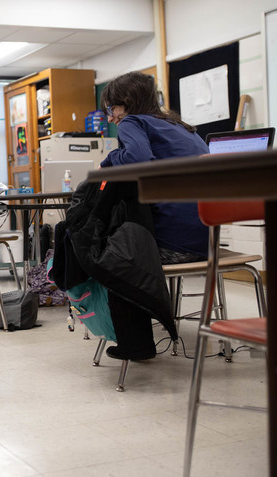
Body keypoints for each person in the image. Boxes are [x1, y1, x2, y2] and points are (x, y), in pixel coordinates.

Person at [98, 71, 210, 361]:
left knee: (115, 258)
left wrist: (109, 159)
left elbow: (138, 158)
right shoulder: (183, 127)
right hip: (206, 244)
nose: (111, 119)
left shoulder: (133, 122)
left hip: (172, 249)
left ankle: (136, 345)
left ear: (126, 103)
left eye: (111, 110)